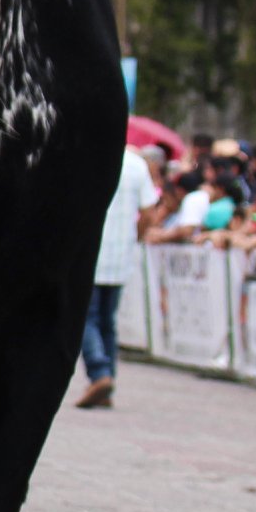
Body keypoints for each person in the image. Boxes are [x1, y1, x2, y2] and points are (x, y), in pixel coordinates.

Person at [76, 144, 155, 408]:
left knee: (86, 318)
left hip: (92, 251)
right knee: (107, 320)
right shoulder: (137, 165)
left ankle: (99, 373)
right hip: (121, 254)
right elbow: (149, 212)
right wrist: (136, 237)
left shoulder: (91, 158)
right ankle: (107, 379)